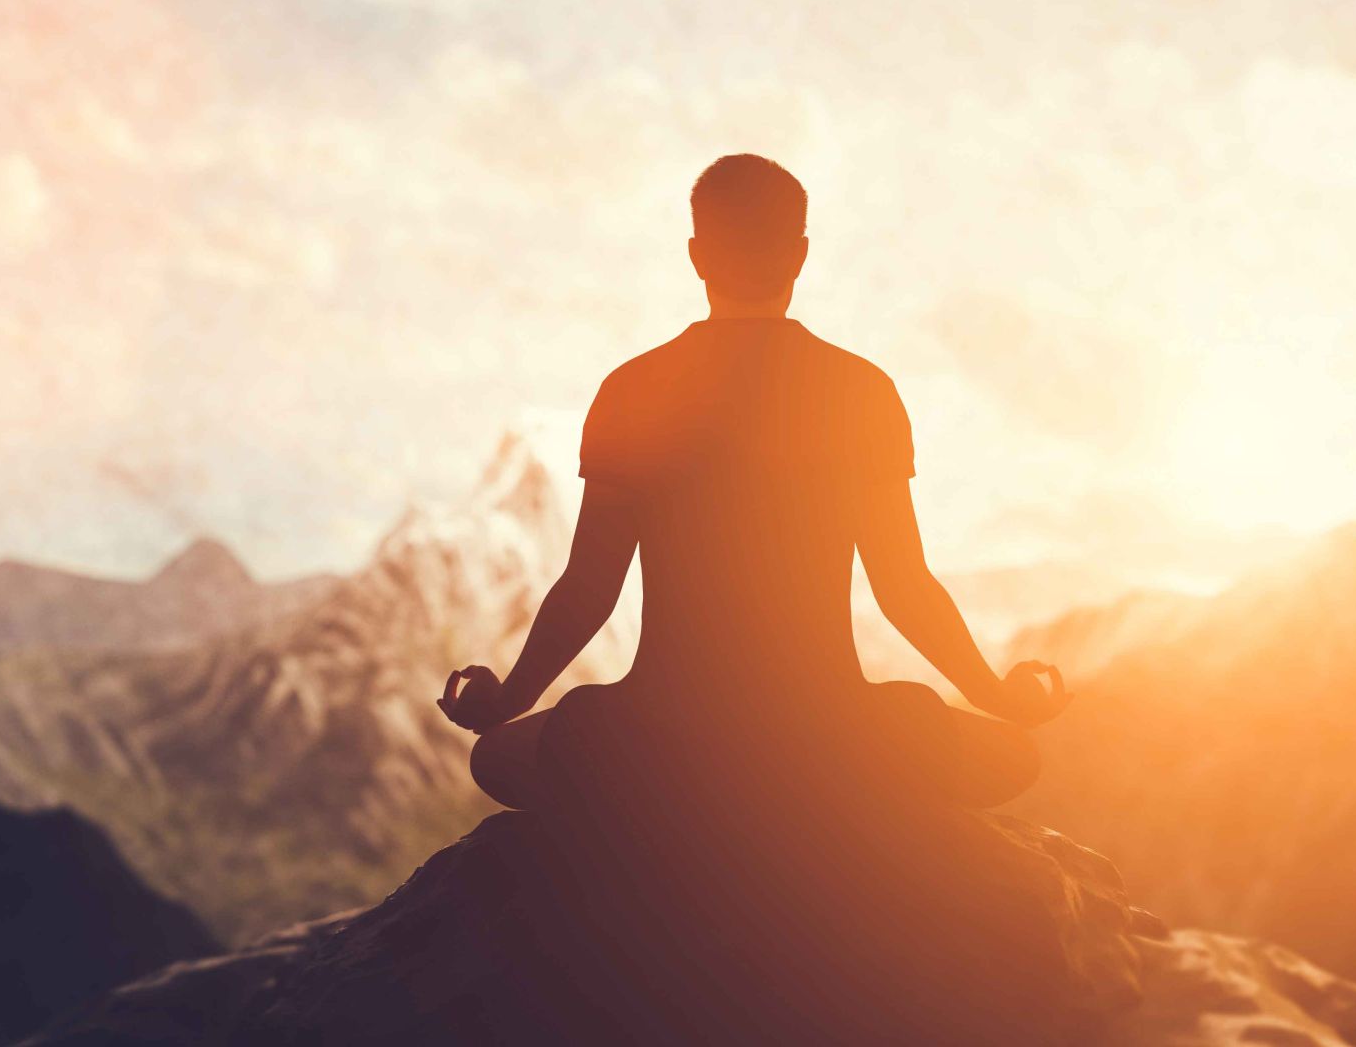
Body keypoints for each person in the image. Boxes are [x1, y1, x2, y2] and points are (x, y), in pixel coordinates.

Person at [438, 153, 1068, 814]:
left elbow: (590, 588)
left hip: (658, 736)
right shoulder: (860, 391)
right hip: (830, 734)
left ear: (697, 255)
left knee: (498, 759)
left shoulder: (636, 388)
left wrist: (506, 701)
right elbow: (903, 586)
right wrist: (1000, 698)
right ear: (798, 256)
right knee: (1011, 757)